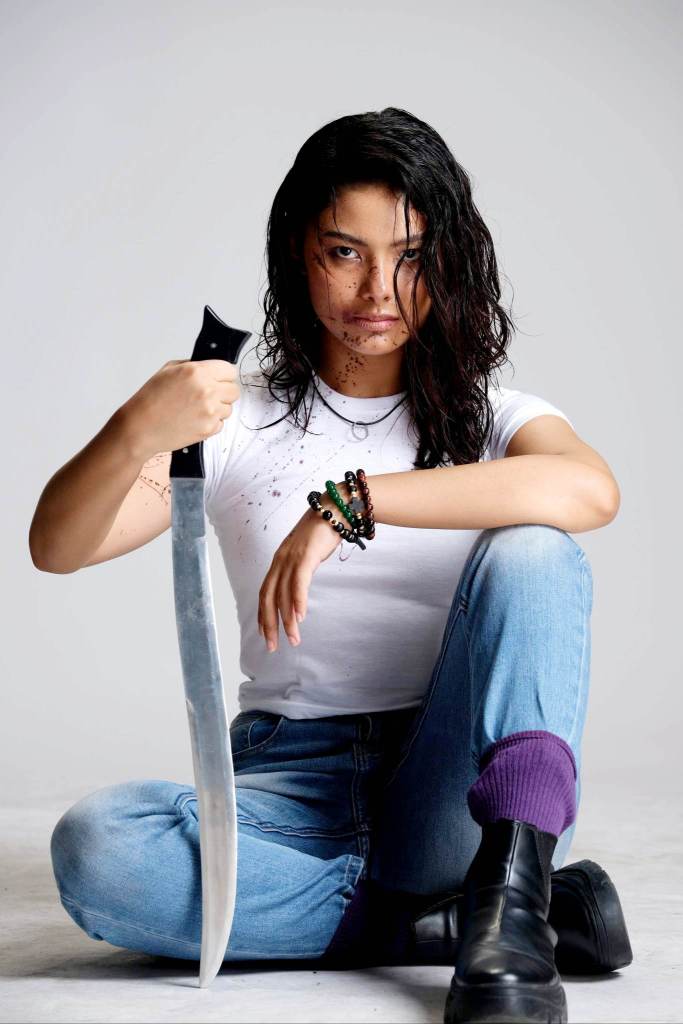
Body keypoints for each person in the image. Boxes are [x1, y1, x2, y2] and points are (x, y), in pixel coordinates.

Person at [30, 108, 631, 1024]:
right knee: (99, 849)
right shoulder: (236, 426)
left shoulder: (497, 419)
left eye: (410, 256)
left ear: (449, 262)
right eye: (344, 252)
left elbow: (589, 490)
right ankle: (474, 921)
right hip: (288, 787)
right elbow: (59, 546)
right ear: (297, 255)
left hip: (458, 790)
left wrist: (350, 503)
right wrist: (131, 430)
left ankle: (506, 894)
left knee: (535, 549)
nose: (378, 289)